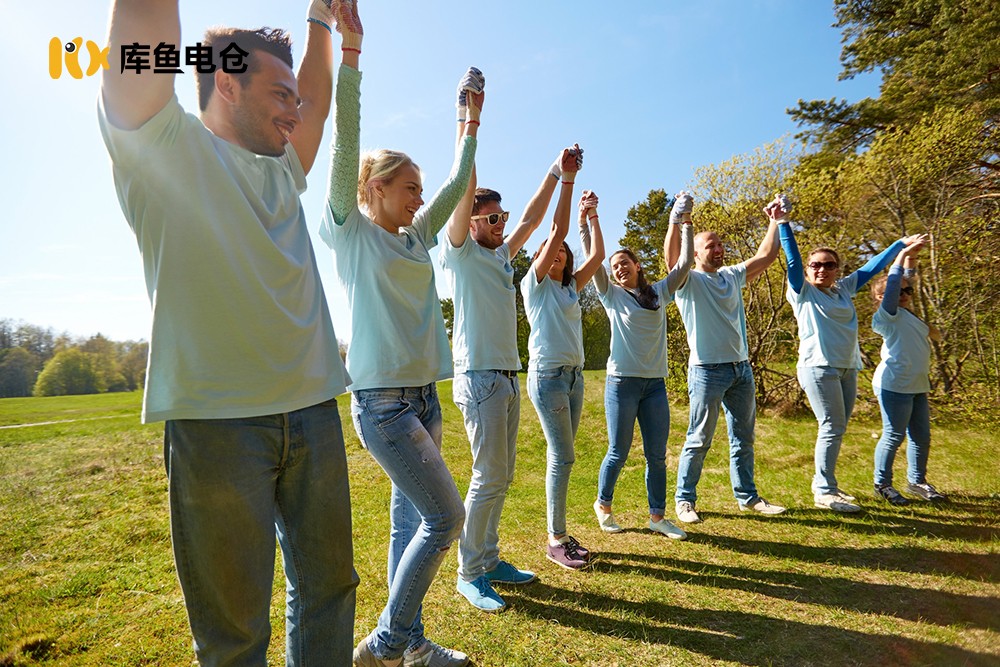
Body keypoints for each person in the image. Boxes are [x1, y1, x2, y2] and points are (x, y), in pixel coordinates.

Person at [98, 0, 357, 663]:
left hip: (314, 413)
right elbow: (143, 26)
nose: (295, 113)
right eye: (280, 95)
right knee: (235, 636)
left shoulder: (282, 167)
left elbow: (320, 104)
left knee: (330, 589)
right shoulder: (161, 145)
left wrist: (322, 23)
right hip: (217, 428)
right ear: (228, 83)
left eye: (294, 99)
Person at [318, 4, 477, 665]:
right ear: (375, 188)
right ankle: (386, 640)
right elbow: (345, 145)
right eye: (406, 188)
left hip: (425, 397)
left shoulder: (415, 238)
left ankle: (409, 643)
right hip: (383, 403)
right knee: (447, 519)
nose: (418, 199)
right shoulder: (349, 231)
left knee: (409, 521)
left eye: (417, 190)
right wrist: (351, 57)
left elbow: (454, 183)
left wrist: (470, 123)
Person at [441, 120, 576, 610]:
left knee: (501, 476)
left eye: (502, 218)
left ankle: (490, 559)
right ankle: (469, 571)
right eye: (491, 219)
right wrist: (470, 125)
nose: (501, 225)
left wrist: (556, 173)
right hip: (477, 377)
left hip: (506, 376)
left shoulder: (500, 258)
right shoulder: (460, 253)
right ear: (472, 222)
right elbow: (464, 189)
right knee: (486, 475)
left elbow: (539, 220)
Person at [778, 197, 924, 513]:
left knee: (839, 426)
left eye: (829, 265)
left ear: (837, 269)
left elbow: (872, 268)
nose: (822, 269)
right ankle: (824, 491)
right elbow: (791, 262)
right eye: (815, 264)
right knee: (831, 425)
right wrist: (783, 223)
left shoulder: (844, 288)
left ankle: (830, 485)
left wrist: (900, 244)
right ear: (808, 269)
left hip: (846, 366)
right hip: (818, 367)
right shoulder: (802, 292)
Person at [667, 195, 787, 524]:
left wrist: (775, 220)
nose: (719, 250)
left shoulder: (732, 275)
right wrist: (677, 220)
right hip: (707, 371)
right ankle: (684, 500)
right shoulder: (687, 281)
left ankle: (748, 497)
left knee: (743, 437)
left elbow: (766, 255)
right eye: (711, 246)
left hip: (740, 369)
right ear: (695, 252)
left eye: (720, 245)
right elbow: (671, 259)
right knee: (699, 437)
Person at [589, 192, 694, 540]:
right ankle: (603, 506)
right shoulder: (611, 295)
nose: (619, 268)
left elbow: (683, 266)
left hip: (655, 386)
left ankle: (657, 517)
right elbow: (595, 257)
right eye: (615, 266)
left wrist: (685, 227)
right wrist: (590, 219)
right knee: (618, 451)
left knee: (657, 456)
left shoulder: (658, 293)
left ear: (637, 266)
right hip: (622, 384)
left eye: (625, 263)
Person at [520, 152, 605, 571]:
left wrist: (592, 217)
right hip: (548, 377)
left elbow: (599, 255)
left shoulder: (571, 288)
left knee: (564, 456)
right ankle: (556, 538)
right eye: (547, 251)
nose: (555, 253)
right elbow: (557, 230)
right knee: (563, 455)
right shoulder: (533, 285)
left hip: (573, 378)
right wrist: (567, 180)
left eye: (561, 252)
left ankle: (559, 532)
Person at [870, 239, 947, 505]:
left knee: (921, 436)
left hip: (916, 385)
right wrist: (900, 254)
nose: (903, 294)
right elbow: (894, 287)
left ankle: (918, 482)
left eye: (908, 292)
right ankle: (883, 485)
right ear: (880, 299)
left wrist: (911, 259)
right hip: (894, 384)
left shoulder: (910, 315)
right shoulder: (886, 317)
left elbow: (906, 281)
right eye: (897, 292)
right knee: (893, 435)